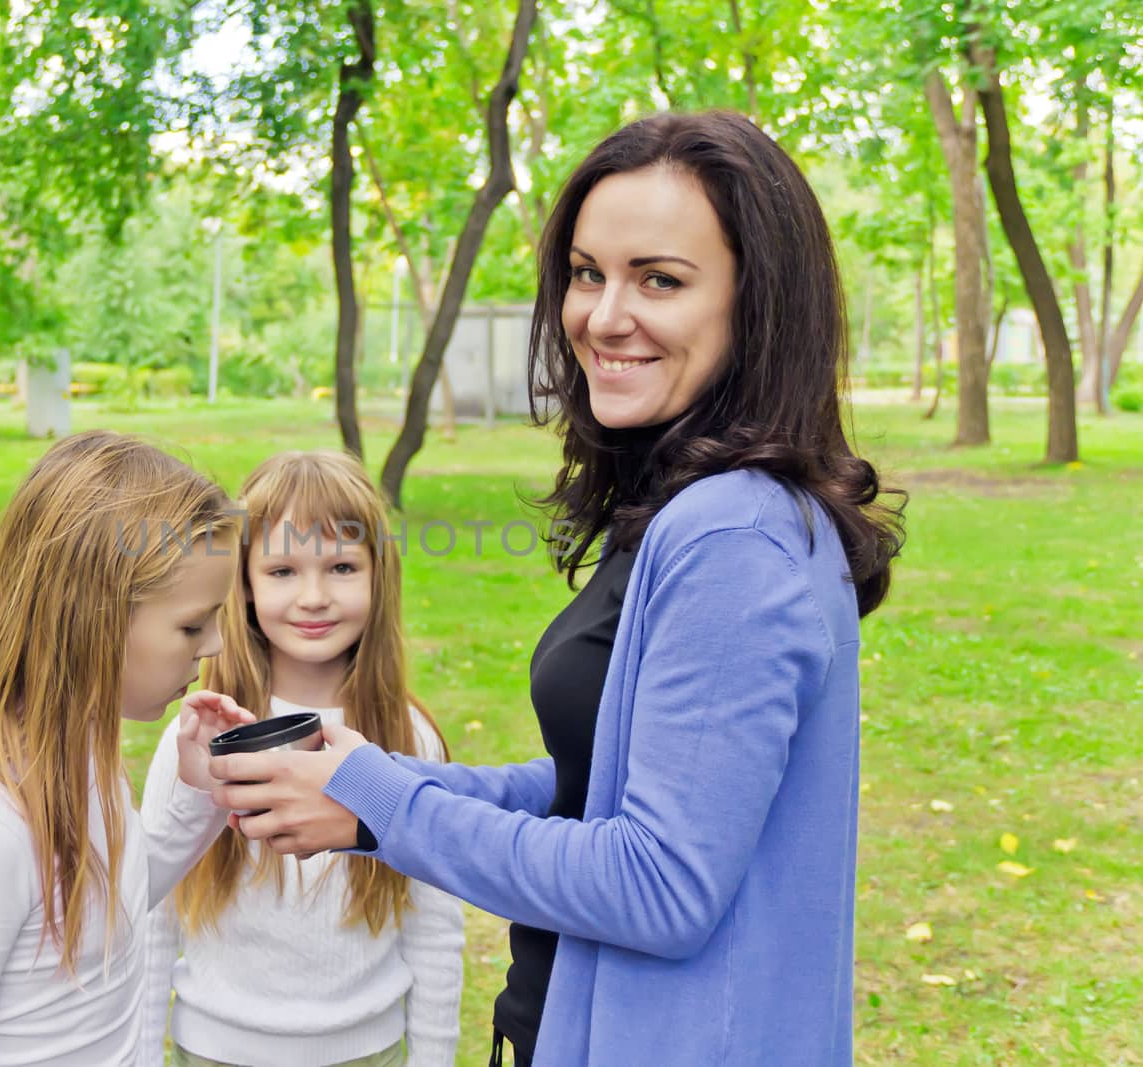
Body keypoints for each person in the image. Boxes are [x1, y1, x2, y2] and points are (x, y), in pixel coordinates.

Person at [208, 110, 907, 1067]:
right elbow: (606, 785)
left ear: (759, 303)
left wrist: (379, 802)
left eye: (659, 278)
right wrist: (378, 776)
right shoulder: (687, 505)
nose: (603, 315)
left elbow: (658, 883)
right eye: (587, 273)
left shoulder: (732, 538)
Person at [0, 429, 256, 1066]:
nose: (214, 646)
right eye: (191, 624)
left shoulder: (80, 758)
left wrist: (202, 793)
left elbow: (110, 907)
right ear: (91, 617)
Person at [141, 451, 464, 1067]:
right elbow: (152, 918)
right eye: (283, 570)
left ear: (378, 576)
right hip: (212, 1050)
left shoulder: (408, 737)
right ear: (243, 584)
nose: (313, 597)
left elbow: (434, 929)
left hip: (367, 1052)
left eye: (341, 566)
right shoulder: (200, 735)